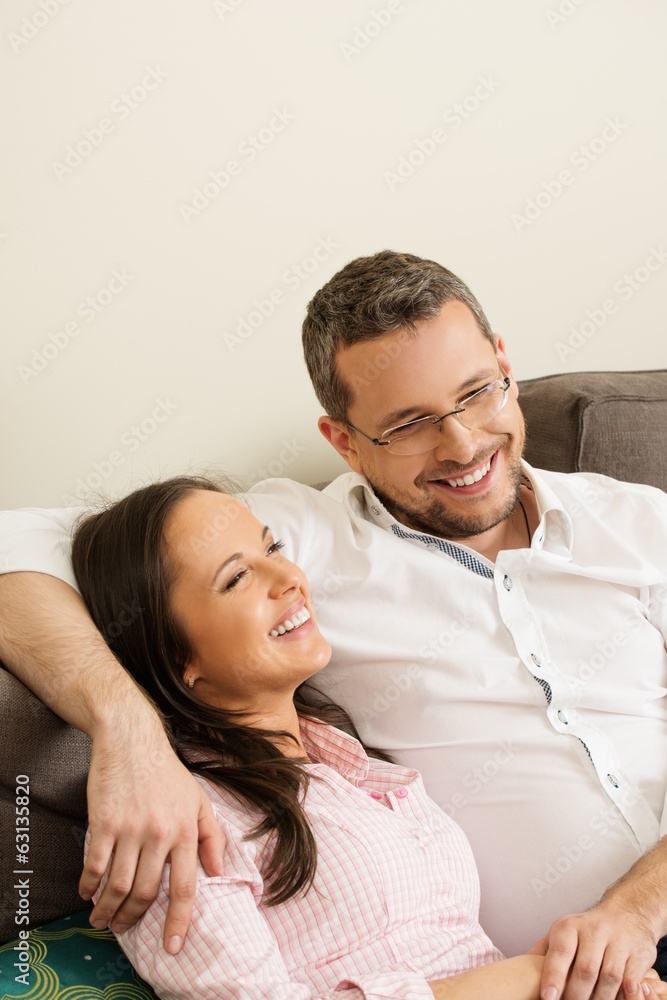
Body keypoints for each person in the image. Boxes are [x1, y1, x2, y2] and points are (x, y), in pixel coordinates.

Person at [1, 250, 666, 1000]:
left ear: (503, 363)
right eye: (410, 424)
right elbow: (19, 545)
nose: (461, 445)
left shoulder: (638, 522)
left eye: (477, 392)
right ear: (343, 441)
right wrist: (128, 731)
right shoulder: (297, 539)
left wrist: (634, 910)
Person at [71, 472, 541, 999]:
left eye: (273, 546)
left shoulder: (344, 760)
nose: (289, 577)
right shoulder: (175, 818)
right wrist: (518, 981)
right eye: (236, 579)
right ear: (174, 655)